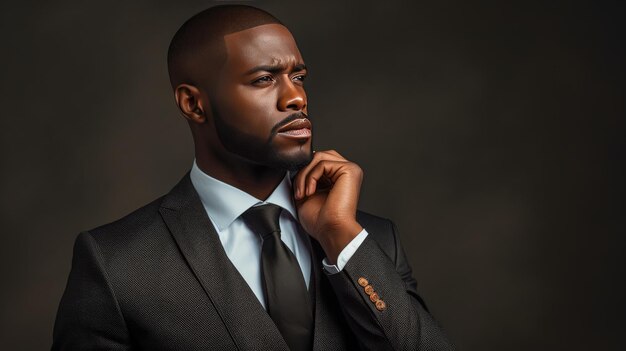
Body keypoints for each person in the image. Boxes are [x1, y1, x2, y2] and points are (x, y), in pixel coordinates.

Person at [52, 5, 453, 351]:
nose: (296, 97)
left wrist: (339, 237)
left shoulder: (370, 241)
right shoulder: (117, 262)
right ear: (193, 103)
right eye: (264, 79)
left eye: (298, 76)